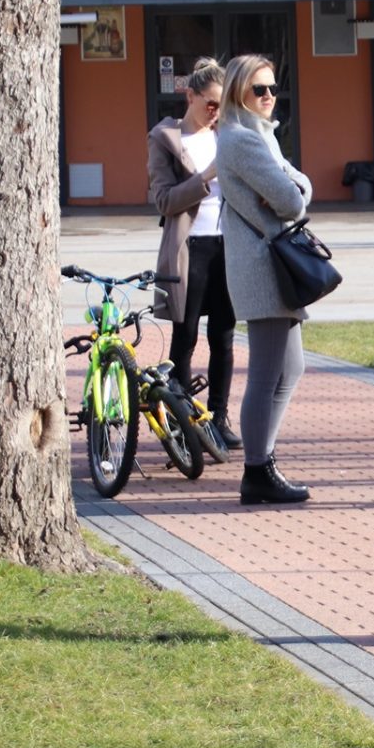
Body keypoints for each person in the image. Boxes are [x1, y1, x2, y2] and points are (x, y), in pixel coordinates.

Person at [217, 54, 316, 504]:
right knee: (266, 372)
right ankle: (257, 468)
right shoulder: (243, 140)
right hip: (263, 267)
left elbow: (300, 187)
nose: (270, 96)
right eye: (260, 89)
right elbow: (292, 201)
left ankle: (263, 460)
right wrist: (289, 192)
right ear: (238, 91)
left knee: (290, 367)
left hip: (269, 263)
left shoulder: (261, 136)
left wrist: (290, 191)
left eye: (273, 88)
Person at [149, 58, 237, 455]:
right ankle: (184, 422)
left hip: (227, 245)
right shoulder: (165, 138)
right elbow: (164, 200)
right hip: (189, 248)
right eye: (211, 104)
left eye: (223, 105)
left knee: (224, 336)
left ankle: (218, 419)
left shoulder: (228, 135)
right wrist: (206, 177)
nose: (217, 112)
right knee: (184, 337)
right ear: (190, 96)